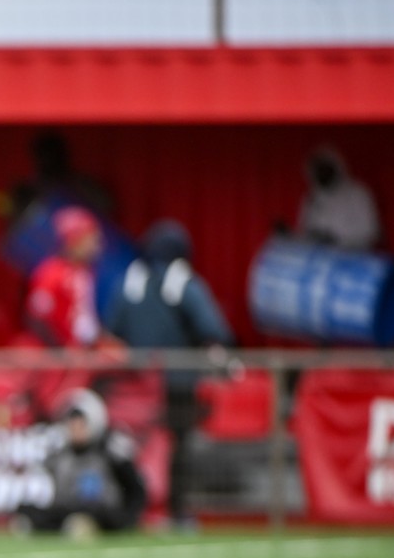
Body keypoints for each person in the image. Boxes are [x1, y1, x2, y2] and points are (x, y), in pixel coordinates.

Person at [105, 219, 235, 528]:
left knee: (133, 446)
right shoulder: (181, 280)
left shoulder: (130, 280)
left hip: (134, 388)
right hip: (177, 383)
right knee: (178, 448)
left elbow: (110, 330)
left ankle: (133, 509)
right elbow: (214, 329)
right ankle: (175, 511)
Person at [13, 388, 147, 538]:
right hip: (68, 509)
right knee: (30, 510)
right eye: (72, 425)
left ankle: (85, 524)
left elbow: (135, 490)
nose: (76, 431)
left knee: (102, 515)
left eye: (81, 425)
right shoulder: (60, 454)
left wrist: (128, 519)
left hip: (100, 512)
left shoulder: (110, 450)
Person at [25, 207, 124, 355]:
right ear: (74, 241)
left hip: (83, 354)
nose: (97, 245)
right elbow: (37, 319)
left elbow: (85, 323)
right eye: (91, 239)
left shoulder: (84, 272)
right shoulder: (51, 273)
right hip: (63, 359)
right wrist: (61, 353)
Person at [296, 145, 380, 251]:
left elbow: (372, 233)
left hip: (354, 257)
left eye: (325, 169)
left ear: (336, 167)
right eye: (318, 170)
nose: (322, 174)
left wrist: (337, 240)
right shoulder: (311, 198)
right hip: (318, 257)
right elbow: (304, 231)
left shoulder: (358, 194)